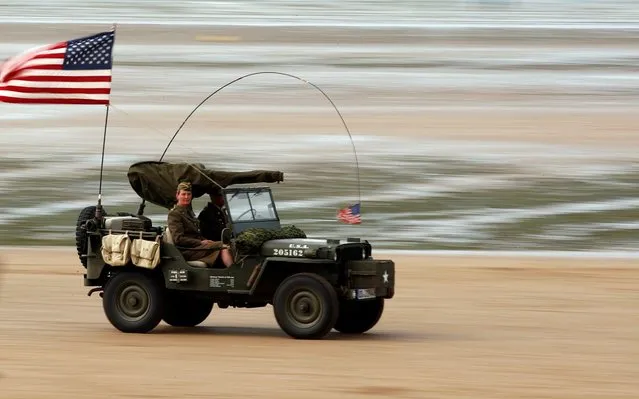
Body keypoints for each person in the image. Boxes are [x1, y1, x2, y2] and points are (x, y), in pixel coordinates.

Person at [167, 181, 234, 268]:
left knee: (230, 244)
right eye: (183, 194)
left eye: (189, 194)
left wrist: (206, 240)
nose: (186, 197)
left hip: (196, 247)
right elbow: (178, 239)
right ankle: (233, 270)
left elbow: (195, 233)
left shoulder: (188, 212)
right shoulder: (175, 214)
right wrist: (200, 242)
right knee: (224, 246)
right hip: (187, 250)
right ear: (177, 195)